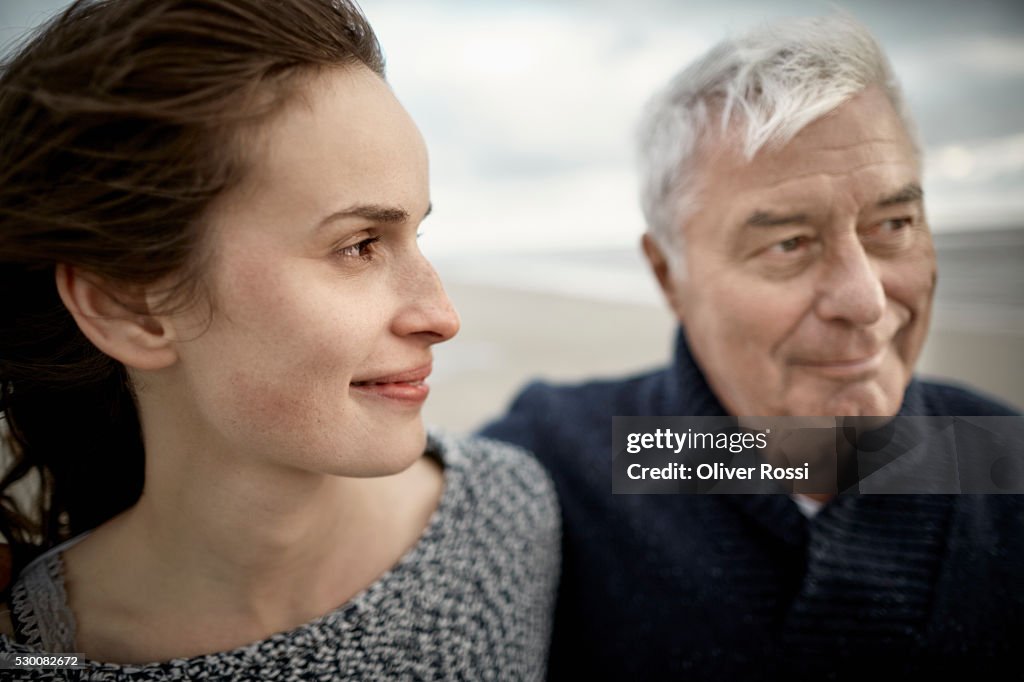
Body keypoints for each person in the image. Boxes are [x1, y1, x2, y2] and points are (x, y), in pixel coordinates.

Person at [0, 1, 559, 679]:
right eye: (359, 245)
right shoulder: (35, 655)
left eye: (416, 234)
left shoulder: (509, 520)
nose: (441, 315)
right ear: (131, 309)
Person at [481, 14, 1022, 680]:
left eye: (893, 224)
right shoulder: (574, 456)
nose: (867, 300)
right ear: (667, 275)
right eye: (789, 243)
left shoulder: (1003, 456)